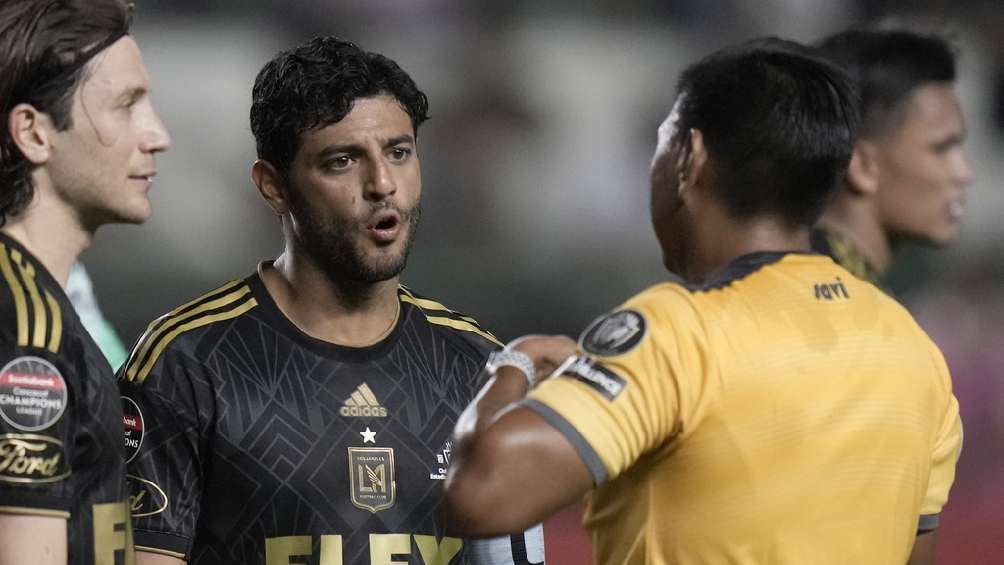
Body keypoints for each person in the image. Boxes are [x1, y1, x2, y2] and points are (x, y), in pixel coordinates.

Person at [443, 38, 961, 565]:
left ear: (690, 158)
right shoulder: (915, 351)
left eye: (661, 143)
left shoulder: (675, 334)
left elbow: (480, 495)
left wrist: (514, 366)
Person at [118, 37, 544, 565]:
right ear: (273, 186)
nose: (382, 184)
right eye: (342, 161)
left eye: (399, 152)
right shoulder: (188, 364)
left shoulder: (478, 367)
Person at [0, 0, 171, 563]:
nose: (158, 135)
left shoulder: (45, 307)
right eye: (126, 105)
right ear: (33, 133)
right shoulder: (26, 327)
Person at [812, 28, 974, 285]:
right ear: (863, 165)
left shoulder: (812, 279)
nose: (965, 173)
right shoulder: (832, 296)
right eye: (941, 148)